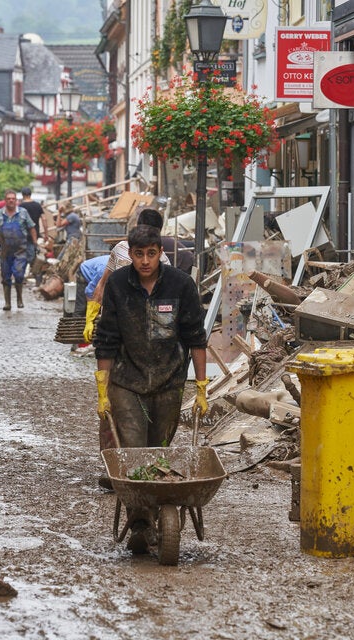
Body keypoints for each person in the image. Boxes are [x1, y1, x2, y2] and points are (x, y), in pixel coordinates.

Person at [92, 225, 209, 548]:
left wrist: (201, 385)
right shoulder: (118, 284)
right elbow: (106, 339)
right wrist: (103, 389)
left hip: (169, 380)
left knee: (158, 449)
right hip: (126, 381)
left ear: (161, 253)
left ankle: (156, 510)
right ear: (130, 254)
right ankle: (141, 523)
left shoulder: (180, 285)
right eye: (139, 254)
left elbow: (195, 337)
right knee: (133, 452)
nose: (145, 261)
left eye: (152, 254)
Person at [83, 209, 171, 342]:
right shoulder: (121, 249)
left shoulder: (164, 262)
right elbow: (103, 283)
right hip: (116, 323)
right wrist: (91, 315)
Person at [0, 190, 38, 310]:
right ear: (5, 200)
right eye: (8, 198)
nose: (11, 200)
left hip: (21, 251)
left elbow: (32, 228)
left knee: (19, 275)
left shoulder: (23, 213)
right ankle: (7, 303)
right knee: (6, 277)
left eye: (13, 199)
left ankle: (19, 299)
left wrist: (35, 243)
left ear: (16, 200)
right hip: (5, 252)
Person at [71, 254, 110, 357]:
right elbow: (89, 291)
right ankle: (76, 342)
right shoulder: (103, 271)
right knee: (81, 309)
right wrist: (90, 314)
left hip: (99, 276)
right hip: (84, 273)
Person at [20, 187, 49, 286]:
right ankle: (36, 276)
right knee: (33, 254)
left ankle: (23, 276)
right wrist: (46, 234)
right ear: (30, 194)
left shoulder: (21, 206)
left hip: (23, 234)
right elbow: (44, 219)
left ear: (23, 194)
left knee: (23, 255)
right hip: (34, 234)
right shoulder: (37, 205)